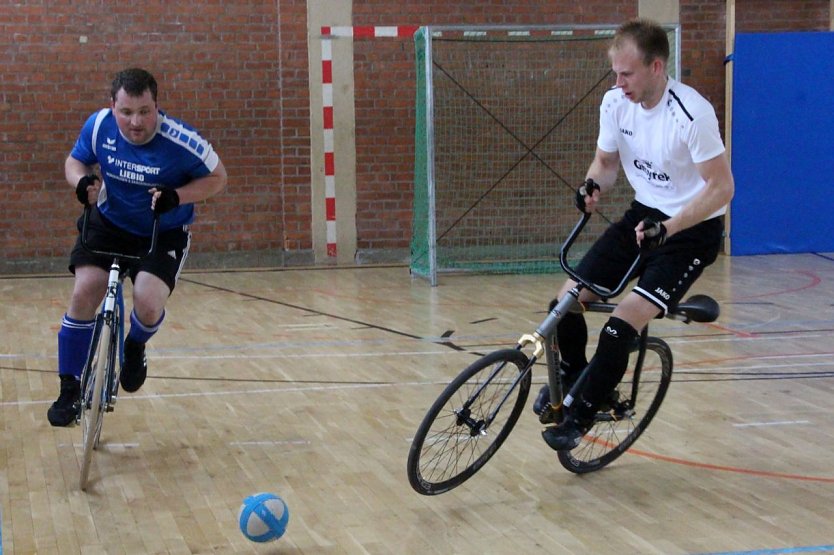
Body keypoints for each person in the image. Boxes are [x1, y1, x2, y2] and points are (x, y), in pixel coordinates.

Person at [534, 19, 734, 450]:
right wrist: (591, 187)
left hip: (690, 230)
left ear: (656, 67)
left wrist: (671, 227)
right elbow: (605, 165)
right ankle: (576, 378)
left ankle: (582, 414)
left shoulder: (691, 113)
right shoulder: (615, 104)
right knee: (564, 304)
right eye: (615, 73)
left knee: (617, 326)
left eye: (627, 74)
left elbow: (722, 188)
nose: (618, 82)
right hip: (643, 217)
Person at [47, 68, 227, 426]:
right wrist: (81, 182)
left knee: (147, 301)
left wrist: (178, 196)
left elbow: (218, 178)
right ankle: (69, 388)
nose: (135, 122)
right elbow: (75, 161)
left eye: (145, 111)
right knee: (84, 292)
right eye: (126, 112)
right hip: (109, 224)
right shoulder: (99, 126)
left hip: (162, 231)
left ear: (156, 106)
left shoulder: (183, 142)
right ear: (113, 106)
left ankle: (135, 346)